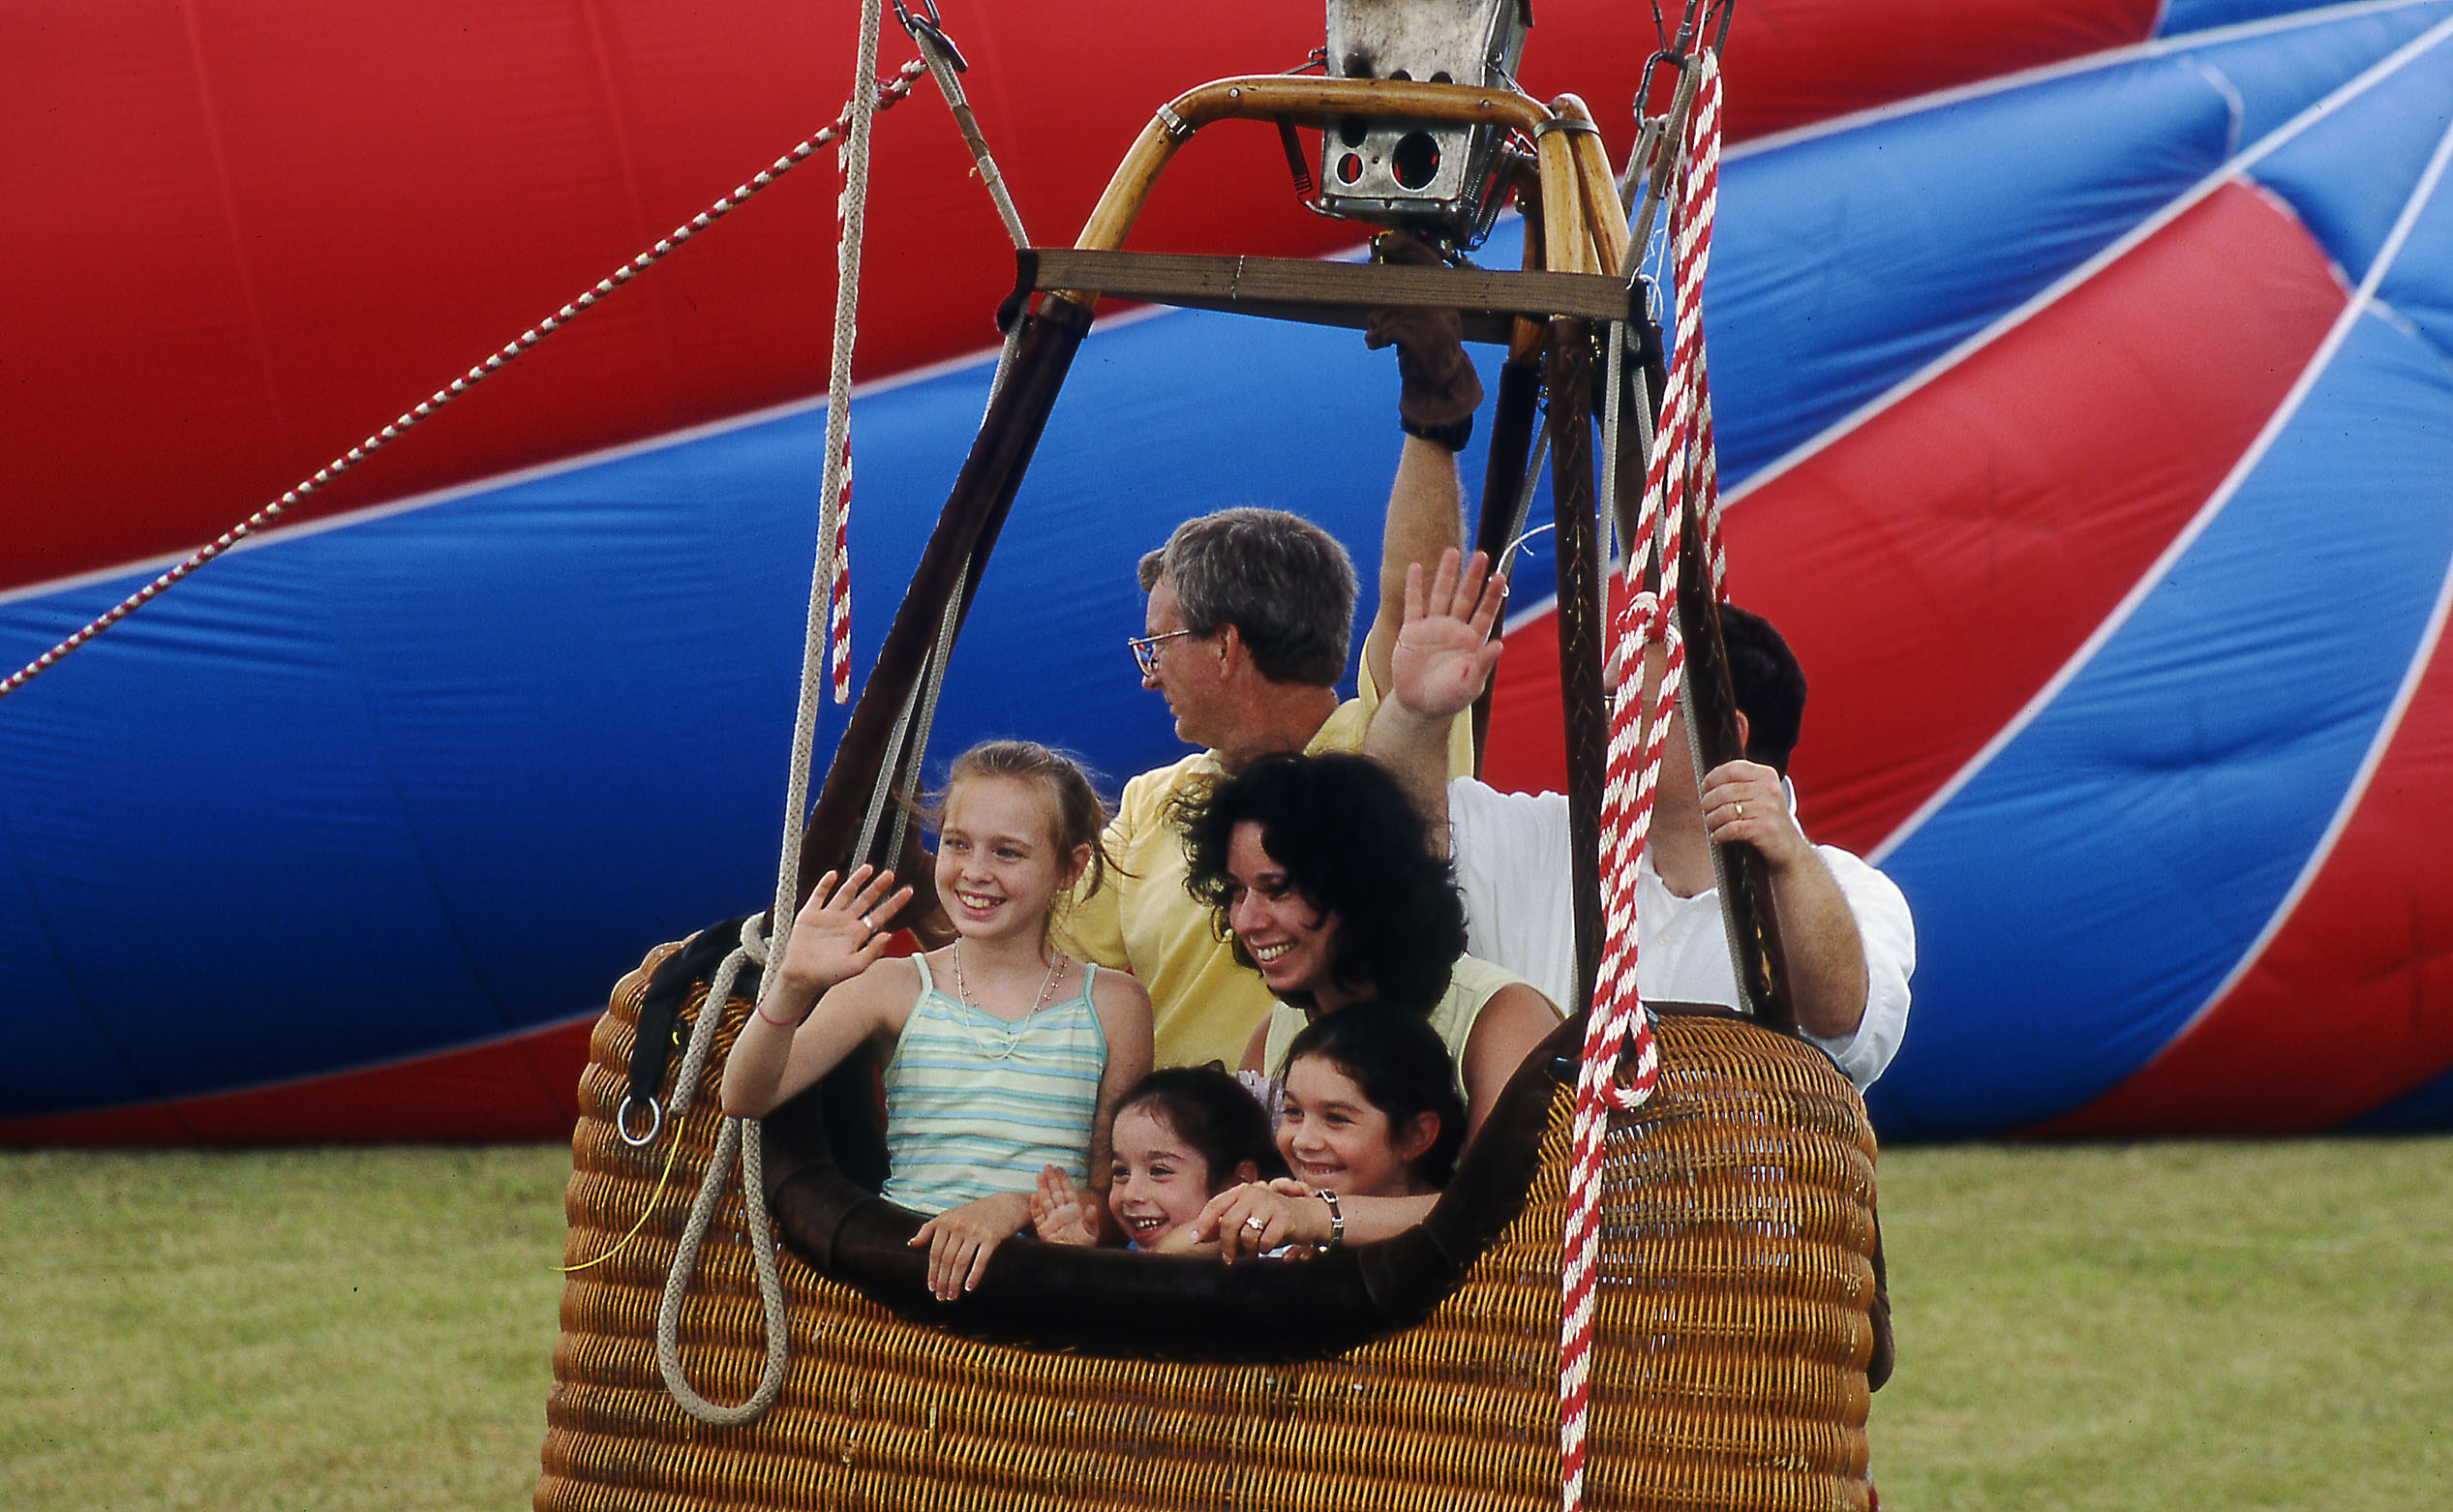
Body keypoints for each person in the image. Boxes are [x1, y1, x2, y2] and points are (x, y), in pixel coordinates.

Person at [1056, 234, 1485, 1071]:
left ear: (1224, 647)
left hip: (1332, 1164)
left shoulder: (1387, 749)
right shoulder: (1151, 804)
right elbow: (1028, 926)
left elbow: (1414, 600)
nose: (1149, 678)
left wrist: (1432, 415)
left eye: (1158, 646)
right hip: (1177, 1180)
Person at [1367, 549, 1914, 1089]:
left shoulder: (1849, 892)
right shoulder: (1550, 840)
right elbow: (1389, 837)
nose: (1600, 721)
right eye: (1605, 697)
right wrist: (1414, 715)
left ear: (1725, 733)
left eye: (1625, 698)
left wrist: (1788, 858)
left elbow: (1843, 1021)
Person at [721, 740, 1153, 1300]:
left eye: (1008, 853)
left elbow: (1111, 1196)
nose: (975, 872)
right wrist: (793, 984)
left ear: (1070, 868)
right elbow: (746, 1095)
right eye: (957, 844)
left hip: (1043, 1294)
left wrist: (1016, 1209)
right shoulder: (893, 985)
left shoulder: (1116, 1006)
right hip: (910, 1291)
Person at [1175, 750, 1560, 1225]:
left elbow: (1505, 1208)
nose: (1246, 920)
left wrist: (1320, 1219)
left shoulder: (1502, 1018)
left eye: (1277, 890)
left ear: (1361, 891)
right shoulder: (1274, 1034)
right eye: (1237, 892)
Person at [1193, 1005, 1469, 1260]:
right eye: (1293, 1112)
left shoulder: (1478, 1240)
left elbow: (1462, 1213)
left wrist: (1316, 1217)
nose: (1303, 1140)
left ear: (1416, 1135)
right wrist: (1246, 1217)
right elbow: (1165, 1255)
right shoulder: (1289, 1212)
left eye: (1336, 1118)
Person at [1028, 1063, 1281, 1252]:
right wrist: (1075, 1260)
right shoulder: (1123, 1255)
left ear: (1236, 1183)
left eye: (1159, 1171)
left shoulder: (1273, 1260)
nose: (1130, 1195)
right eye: (1121, 1172)